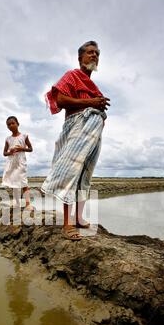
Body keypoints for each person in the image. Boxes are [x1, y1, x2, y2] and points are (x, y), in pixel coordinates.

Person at [41, 41, 110, 240]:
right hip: (77, 128)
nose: (94, 56)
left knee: (84, 176)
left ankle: (79, 218)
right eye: (89, 53)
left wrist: (98, 115)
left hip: (93, 133)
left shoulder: (94, 87)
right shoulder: (72, 76)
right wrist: (92, 103)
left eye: (97, 53)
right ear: (80, 57)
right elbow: (61, 101)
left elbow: (96, 106)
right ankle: (67, 224)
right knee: (70, 173)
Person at [2, 116, 33, 209]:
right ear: (7, 127)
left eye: (13, 123)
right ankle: (17, 203)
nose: (11, 125)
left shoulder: (24, 136)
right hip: (12, 162)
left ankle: (28, 204)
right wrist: (10, 152)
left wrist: (22, 148)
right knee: (13, 182)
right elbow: (4, 153)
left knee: (23, 182)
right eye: (8, 124)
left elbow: (31, 149)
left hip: (21, 162)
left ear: (17, 124)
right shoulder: (8, 139)